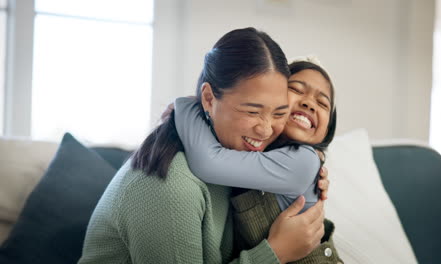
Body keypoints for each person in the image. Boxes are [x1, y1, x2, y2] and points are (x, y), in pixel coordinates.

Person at [79, 27, 330, 264]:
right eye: (253, 111)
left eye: (278, 114)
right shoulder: (170, 186)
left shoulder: (235, 157)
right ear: (209, 98)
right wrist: (275, 253)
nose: (265, 130)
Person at [173, 55, 342, 263]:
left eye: (323, 103)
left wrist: (187, 106)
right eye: (296, 90)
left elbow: (208, 162)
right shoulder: (256, 151)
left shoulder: (303, 161)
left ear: (327, 130)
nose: (309, 103)